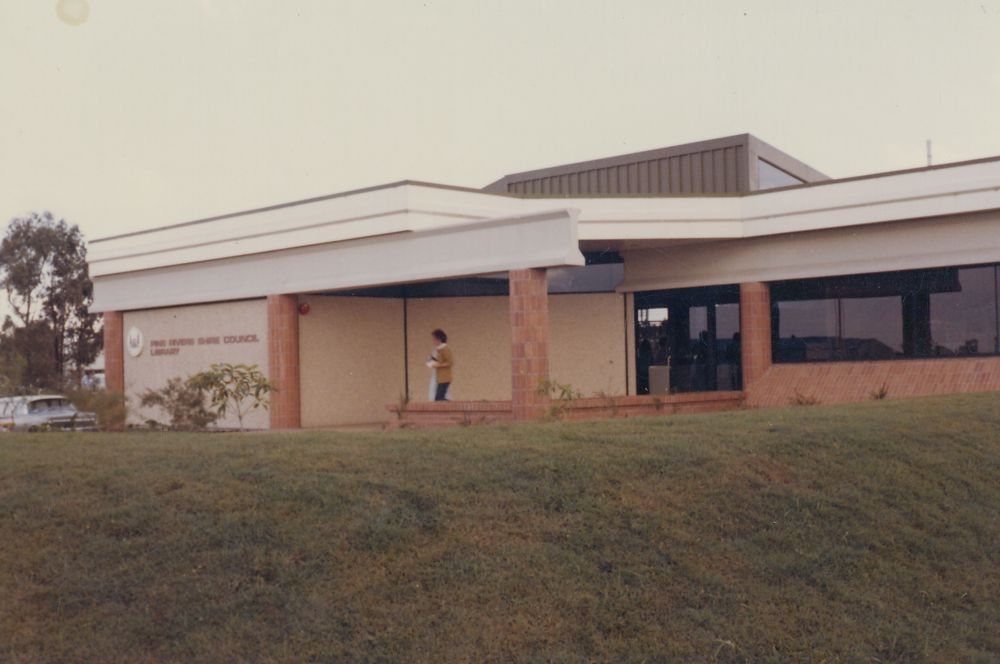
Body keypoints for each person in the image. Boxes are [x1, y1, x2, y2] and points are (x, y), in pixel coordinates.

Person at [427, 329, 453, 401]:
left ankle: (449, 404)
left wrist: (438, 365)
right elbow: (431, 360)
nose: (433, 341)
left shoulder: (445, 348)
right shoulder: (437, 349)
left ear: (439, 339)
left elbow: (450, 362)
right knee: (437, 397)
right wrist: (430, 361)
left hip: (444, 377)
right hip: (437, 376)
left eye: (434, 339)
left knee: (439, 398)